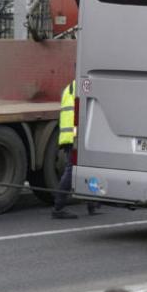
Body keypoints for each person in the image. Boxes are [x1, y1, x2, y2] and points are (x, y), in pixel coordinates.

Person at [52, 79, 101, 219]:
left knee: (89, 168)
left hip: (72, 135)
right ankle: (58, 207)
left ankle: (92, 204)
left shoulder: (70, 87)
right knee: (71, 170)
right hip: (75, 136)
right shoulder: (83, 86)